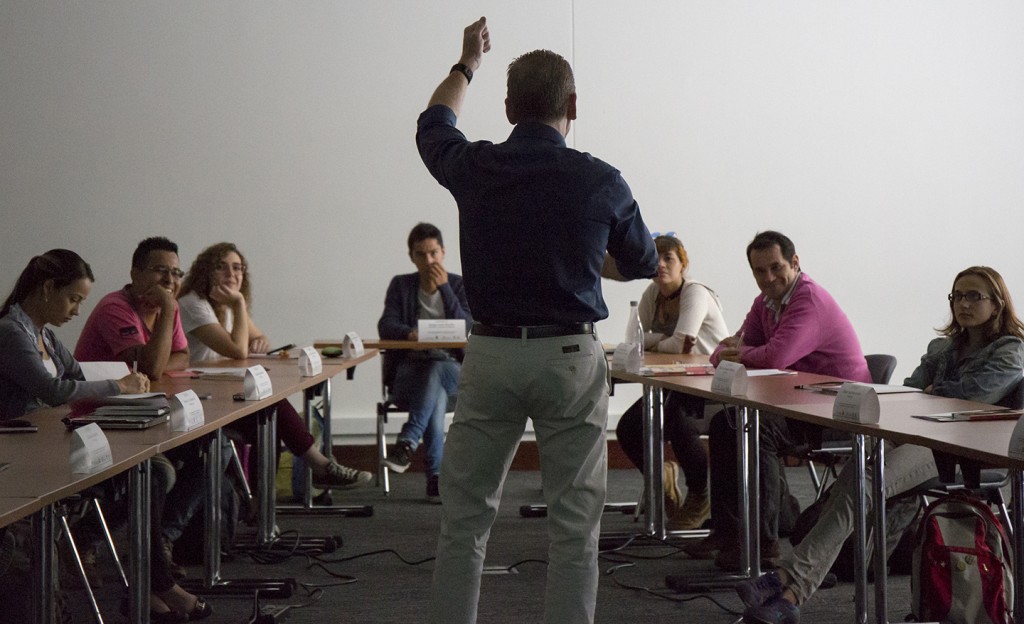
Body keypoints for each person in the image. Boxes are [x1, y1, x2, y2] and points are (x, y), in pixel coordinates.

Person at [416, 17, 658, 624]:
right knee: (575, 527)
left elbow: (432, 125)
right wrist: (579, 254)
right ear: (573, 103)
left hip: (492, 354)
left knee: (465, 520)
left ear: (505, 108)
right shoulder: (601, 179)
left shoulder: (476, 167)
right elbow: (645, 262)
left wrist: (466, 62)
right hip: (570, 359)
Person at [736, 265, 1024, 624]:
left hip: (961, 451)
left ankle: (789, 582)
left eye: (973, 296)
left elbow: (974, 397)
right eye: (957, 296)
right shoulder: (943, 347)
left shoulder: (1011, 350)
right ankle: (792, 591)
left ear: (996, 305)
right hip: (916, 434)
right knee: (855, 483)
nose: (962, 304)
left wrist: (934, 392)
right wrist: (932, 393)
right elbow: (911, 387)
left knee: (864, 485)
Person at [688, 230, 871, 571]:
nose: (768, 278)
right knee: (725, 423)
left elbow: (778, 356)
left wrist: (742, 353)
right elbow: (722, 351)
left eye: (775, 267)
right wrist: (740, 352)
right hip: (799, 402)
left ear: (795, 262)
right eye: (759, 271)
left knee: (757, 431)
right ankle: (729, 532)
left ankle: (763, 544)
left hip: (838, 410)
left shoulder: (808, 299)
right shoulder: (765, 303)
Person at [74, 236, 213, 621]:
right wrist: (168, 311)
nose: (170, 281)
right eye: (160, 271)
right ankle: (154, 579)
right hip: (99, 425)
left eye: (175, 273)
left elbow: (175, 356)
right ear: (135, 274)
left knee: (210, 449)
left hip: (145, 418)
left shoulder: (165, 308)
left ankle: (159, 545)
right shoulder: (115, 308)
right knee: (154, 473)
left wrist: (161, 346)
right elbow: (153, 368)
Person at [176, 241, 372, 493]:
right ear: (206, 272)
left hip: (220, 393)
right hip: (195, 400)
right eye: (221, 267)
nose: (231, 274)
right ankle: (320, 467)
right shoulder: (193, 304)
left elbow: (261, 340)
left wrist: (243, 319)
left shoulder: (224, 303)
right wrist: (238, 305)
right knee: (269, 407)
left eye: (237, 268)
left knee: (268, 420)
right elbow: (238, 350)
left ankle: (262, 511)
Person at [612, 235, 729, 530]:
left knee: (675, 420)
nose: (660, 265)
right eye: (655, 259)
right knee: (628, 428)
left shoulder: (696, 293)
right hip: (674, 384)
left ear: (683, 264)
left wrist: (655, 342)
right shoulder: (653, 293)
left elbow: (682, 344)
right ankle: (662, 474)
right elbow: (633, 341)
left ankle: (700, 496)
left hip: (713, 386)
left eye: (669, 259)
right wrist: (663, 340)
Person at [378, 223, 471, 503]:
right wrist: (409, 333)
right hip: (410, 370)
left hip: (451, 369)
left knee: (437, 371)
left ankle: (408, 440)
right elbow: (386, 324)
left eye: (433, 253)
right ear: (412, 257)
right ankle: (435, 479)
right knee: (433, 390)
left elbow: (467, 326)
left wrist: (445, 289)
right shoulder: (401, 285)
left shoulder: (458, 285)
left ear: (443, 252)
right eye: (421, 255)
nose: (429, 261)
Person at [0, 249, 149, 420]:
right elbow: (53, 391)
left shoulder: (47, 337)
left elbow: (79, 374)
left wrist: (130, 379)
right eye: (73, 299)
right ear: (48, 288)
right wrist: (120, 385)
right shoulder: (11, 333)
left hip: (44, 432)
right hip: (16, 442)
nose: (77, 311)